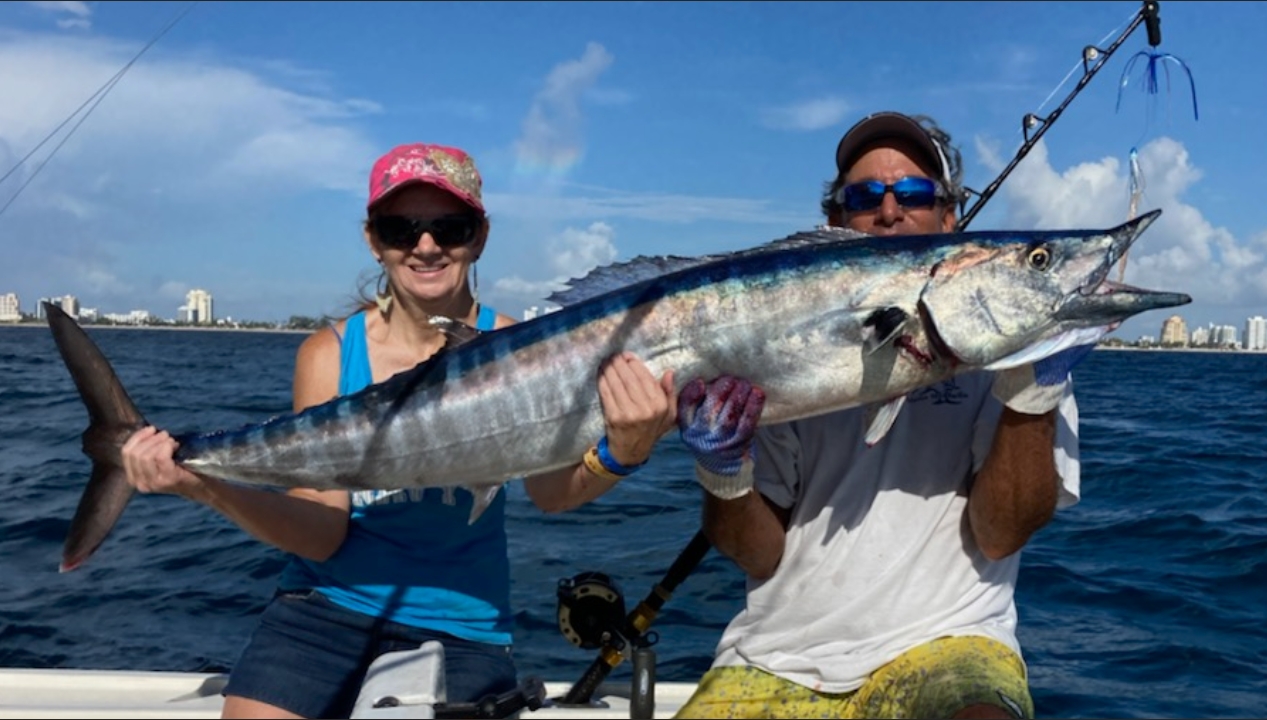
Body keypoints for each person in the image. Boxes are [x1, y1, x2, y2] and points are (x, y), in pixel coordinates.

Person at [119, 142, 677, 719]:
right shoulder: (330, 354)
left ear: (480, 237)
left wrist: (624, 451)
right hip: (321, 610)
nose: (426, 246)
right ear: (373, 240)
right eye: (400, 229)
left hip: (462, 624)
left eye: (450, 228)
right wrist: (203, 485)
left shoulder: (529, 347)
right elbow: (321, 535)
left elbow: (550, 492)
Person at [672, 112, 1088, 719]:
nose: (889, 211)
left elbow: (1000, 536)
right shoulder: (778, 350)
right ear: (835, 223)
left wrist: (1031, 394)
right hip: (775, 655)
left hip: (952, 642)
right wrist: (723, 471)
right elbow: (758, 556)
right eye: (865, 197)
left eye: (914, 193)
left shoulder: (1027, 357)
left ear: (950, 219)